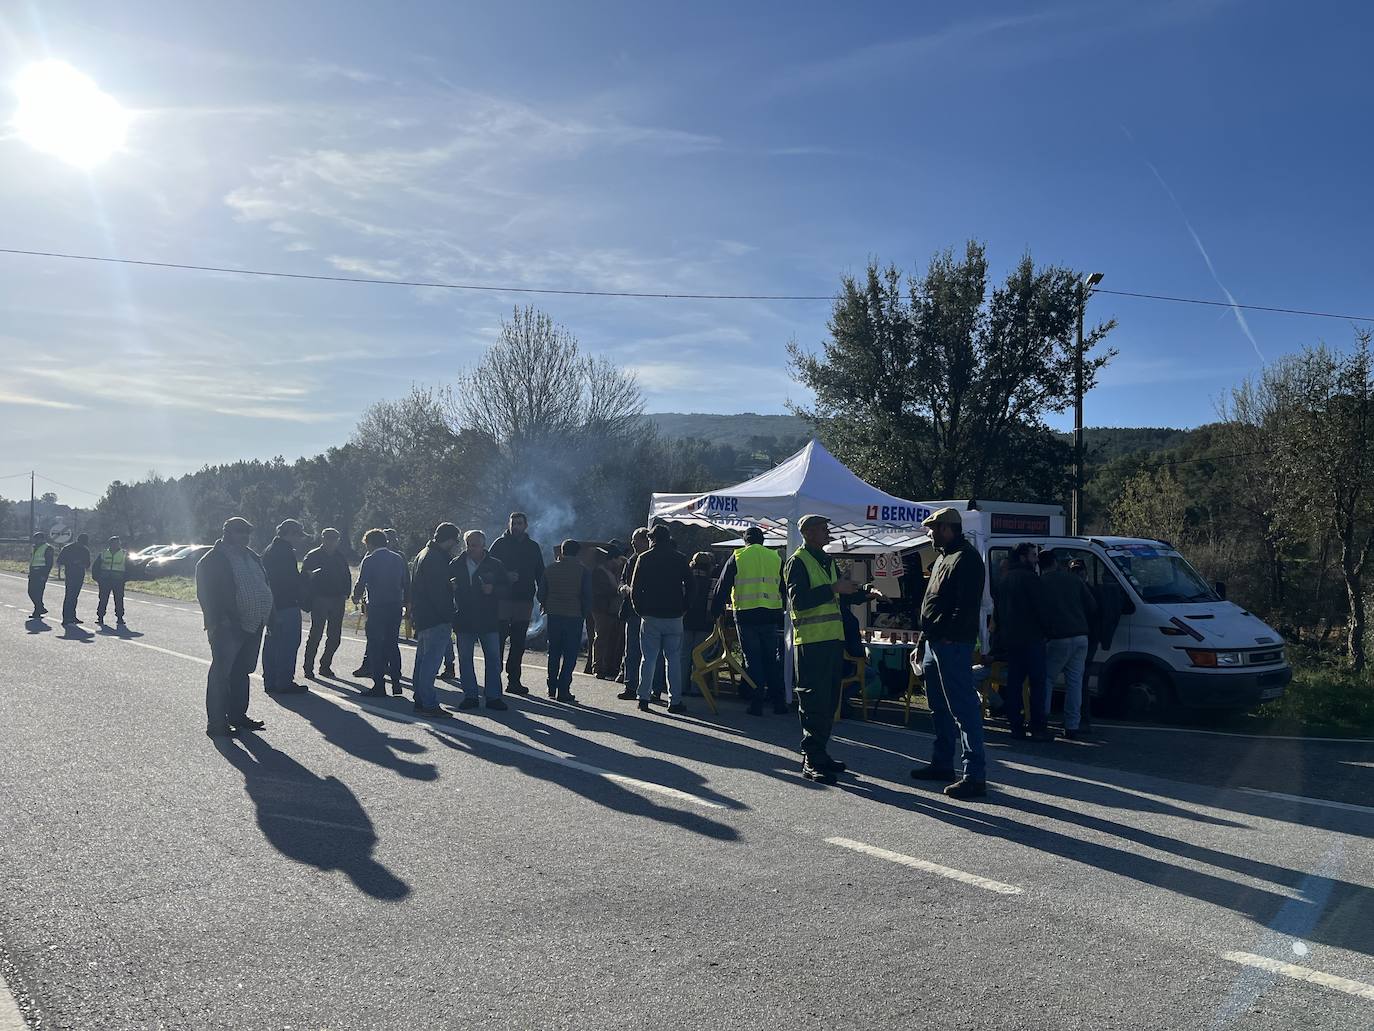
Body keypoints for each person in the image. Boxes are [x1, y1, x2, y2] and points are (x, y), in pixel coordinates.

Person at [909, 507, 989, 799]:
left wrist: (946, 636)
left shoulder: (966, 559)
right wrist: (922, 641)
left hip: (951, 643)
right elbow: (932, 603)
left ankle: (974, 775)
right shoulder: (944, 557)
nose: (929, 533)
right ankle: (943, 763)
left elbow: (965, 607)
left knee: (963, 709)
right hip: (934, 642)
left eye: (932, 528)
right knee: (938, 706)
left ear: (946, 529)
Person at [785, 514, 863, 783]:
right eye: (822, 528)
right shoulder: (798, 561)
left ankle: (821, 752)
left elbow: (838, 593)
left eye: (827, 527)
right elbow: (799, 601)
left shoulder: (827, 560)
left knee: (829, 701)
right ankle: (811, 758)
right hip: (810, 642)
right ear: (807, 533)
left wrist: (862, 592)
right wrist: (833, 588)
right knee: (813, 701)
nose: (827, 532)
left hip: (831, 641)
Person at [195, 517, 272, 738]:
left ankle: (237, 715)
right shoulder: (212, 560)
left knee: (242, 671)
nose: (245, 536)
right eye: (240, 531)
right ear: (226, 532)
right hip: (227, 625)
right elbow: (205, 594)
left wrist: (270, 615)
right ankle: (217, 724)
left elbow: (264, 585)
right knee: (221, 673)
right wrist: (218, 621)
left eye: (247, 532)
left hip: (254, 622)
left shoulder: (252, 556)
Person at [711, 526, 788, 716]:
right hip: (771, 613)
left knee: (753, 659)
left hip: (746, 615)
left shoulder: (738, 557)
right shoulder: (776, 558)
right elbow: (785, 588)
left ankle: (757, 702)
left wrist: (715, 611)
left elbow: (722, 586)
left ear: (745, 541)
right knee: (771, 658)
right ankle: (779, 702)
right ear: (763, 541)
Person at [630, 524, 693, 715]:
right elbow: (691, 585)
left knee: (648, 658)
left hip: (650, 615)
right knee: (673, 659)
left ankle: (643, 698)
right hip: (674, 614)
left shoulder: (644, 558)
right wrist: (685, 608)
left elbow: (635, 588)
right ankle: (675, 701)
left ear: (652, 539)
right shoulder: (680, 558)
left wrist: (639, 610)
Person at [1039, 550, 1098, 740]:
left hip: (1057, 637)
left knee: (1047, 679)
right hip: (1081, 636)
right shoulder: (1073, 580)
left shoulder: (1041, 583)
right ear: (1056, 563)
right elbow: (1092, 606)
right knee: (1075, 682)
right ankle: (1072, 725)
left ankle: (1043, 721)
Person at [996, 542, 1052, 741]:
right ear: (1023, 557)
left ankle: (1015, 725)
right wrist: (1047, 631)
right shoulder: (1031, 579)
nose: (1036, 559)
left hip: (1011, 638)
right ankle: (1038, 727)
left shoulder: (1005, 579)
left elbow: (999, 612)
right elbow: (1042, 609)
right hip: (1032, 637)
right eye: (1033, 555)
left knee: (1014, 684)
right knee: (1037, 684)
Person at [451, 529, 510, 711]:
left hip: (488, 619)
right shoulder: (456, 564)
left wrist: (493, 590)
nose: (471, 549)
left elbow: (506, 588)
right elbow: (445, 587)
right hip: (464, 618)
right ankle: (470, 696)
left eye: (475, 545)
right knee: (465, 659)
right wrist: (451, 588)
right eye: (468, 544)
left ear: (484, 545)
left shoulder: (495, 564)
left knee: (493, 659)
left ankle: (493, 697)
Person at [409, 523, 462, 716]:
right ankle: (429, 703)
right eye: (455, 541)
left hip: (423, 615)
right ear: (448, 539)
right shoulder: (436, 559)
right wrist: (450, 614)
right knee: (431, 663)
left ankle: (420, 700)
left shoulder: (423, 553)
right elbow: (438, 592)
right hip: (435, 616)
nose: (455, 545)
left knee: (422, 661)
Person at [489, 511, 545, 696]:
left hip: (524, 600)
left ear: (525, 525)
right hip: (502, 599)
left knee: (518, 642)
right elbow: (486, 569)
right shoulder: (499, 544)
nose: (516, 527)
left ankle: (514, 681)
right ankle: (493, 680)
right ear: (509, 525)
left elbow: (540, 574)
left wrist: (543, 599)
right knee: (497, 641)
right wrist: (505, 577)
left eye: (519, 523)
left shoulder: (533, 547)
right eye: (513, 523)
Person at [353, 528, 408, 697]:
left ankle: (379, 684)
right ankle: (396, 682)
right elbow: (406, 581)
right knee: (392, 643)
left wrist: (355, 596)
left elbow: (362, 582)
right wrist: (407, 602)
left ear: (370, 543)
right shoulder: (398, 558)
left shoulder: (370, 560)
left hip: (377, 606)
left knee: (375, 645)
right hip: (395, 605)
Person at [538, 538, 592, 702]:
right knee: (570, 654)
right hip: (574, 615)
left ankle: (551, 687)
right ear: (578, 553)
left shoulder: (550, 569)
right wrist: (584, 612)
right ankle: (564, 689)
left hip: (554, 614)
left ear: (562, 551)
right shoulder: (583, 571)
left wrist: (547, 604)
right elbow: (587, 595)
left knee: (554, 651)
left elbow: (540, 594)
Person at [260, 519, 310, 696]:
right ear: (289, 533)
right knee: (288, 644)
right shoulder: (285, 552)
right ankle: (284, 681)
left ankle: (270, 680)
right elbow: (288, 581)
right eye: (297, 535)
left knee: (272, 643)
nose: (299, 539)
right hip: (286, 603)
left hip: (271, 604)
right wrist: (305, 578)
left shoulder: (269, 550)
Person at [300, 527, 352, 679]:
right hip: (320, 599)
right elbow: (304, 577)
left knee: (335, 636)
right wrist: (309, 597)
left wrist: (345, 593)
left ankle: (325, 665)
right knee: (316, 634)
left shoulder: (339, 556)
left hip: (337, 599)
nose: (331, 541)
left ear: (337, 540)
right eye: (328, 538)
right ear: (322, 538)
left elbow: (346, 576)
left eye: (334, 539)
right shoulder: (313, 555)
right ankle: (308, 666)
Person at [616, 528, 650, 700]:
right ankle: (630, 685)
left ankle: (650, 688)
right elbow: (623, 579)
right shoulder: (632, 560)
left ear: (645, 541)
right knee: (631, 650)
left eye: (635, 540)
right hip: (632, 611)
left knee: (650, 652)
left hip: (649, 612)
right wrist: (623, 587)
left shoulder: (652, 559)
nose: (632, 544)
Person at [681, 552, 716, 698]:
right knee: (700, 657)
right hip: (704, 624)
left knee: (683, 656)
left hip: (686, 622)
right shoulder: (713, 583)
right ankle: (697, 687)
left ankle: (681, 686)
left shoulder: (684, 581)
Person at [589, 547, 624, 679]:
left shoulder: (614, 572)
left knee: (610, 638)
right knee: (601, 638)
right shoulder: (599, 571)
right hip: (601, 609)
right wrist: (616, 592)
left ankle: (607, 665)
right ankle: (597, 667)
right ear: (611, 559)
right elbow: (600, 590)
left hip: (611, 609)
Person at [93, 535, 129, 628]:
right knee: (103, 599)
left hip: (118, 580)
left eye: (117, 543)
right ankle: (100, 617)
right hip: (105, 580)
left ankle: (120, 618)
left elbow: (129, 567)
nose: (115, 545)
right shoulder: (104, 553)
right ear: (110, 544)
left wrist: (126, 578)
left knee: (119, 599)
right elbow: (96, 566)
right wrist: (96, 577)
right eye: (113, 543)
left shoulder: (124, 553)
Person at [56, 532, 91, 626]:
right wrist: (72, 562)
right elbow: (59, 561)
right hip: (70, 574)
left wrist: (82, 564)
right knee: (69, 596)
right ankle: (66, 618)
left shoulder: (85, 550)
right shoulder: (68, 548)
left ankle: (72, 616)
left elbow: (88, 564)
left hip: (79, 575)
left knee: (74, 596)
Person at [27, 531, 54, 619]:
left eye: (37, 539)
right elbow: (32, 561)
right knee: (31, 592)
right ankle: (40, 607)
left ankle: (37, 611)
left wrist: (45, 574)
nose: (35, 541)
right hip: (33, 573)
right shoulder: (34, 547)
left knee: (38, 592)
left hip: (41, 572)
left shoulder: (47, 548)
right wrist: (30, 572)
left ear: (42, 539)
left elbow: (49, 563)